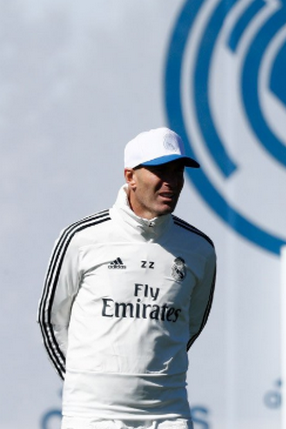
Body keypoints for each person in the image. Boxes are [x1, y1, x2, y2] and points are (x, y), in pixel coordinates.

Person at [37, 127, 217, 429]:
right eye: (161, 171)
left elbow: (189, 325)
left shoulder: (199, 249)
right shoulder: (82, 238)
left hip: (169, 415)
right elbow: (51, 319)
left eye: (177, 172)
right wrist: (89, 385)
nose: (172, 182)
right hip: (93, 416)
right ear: (130, 176)